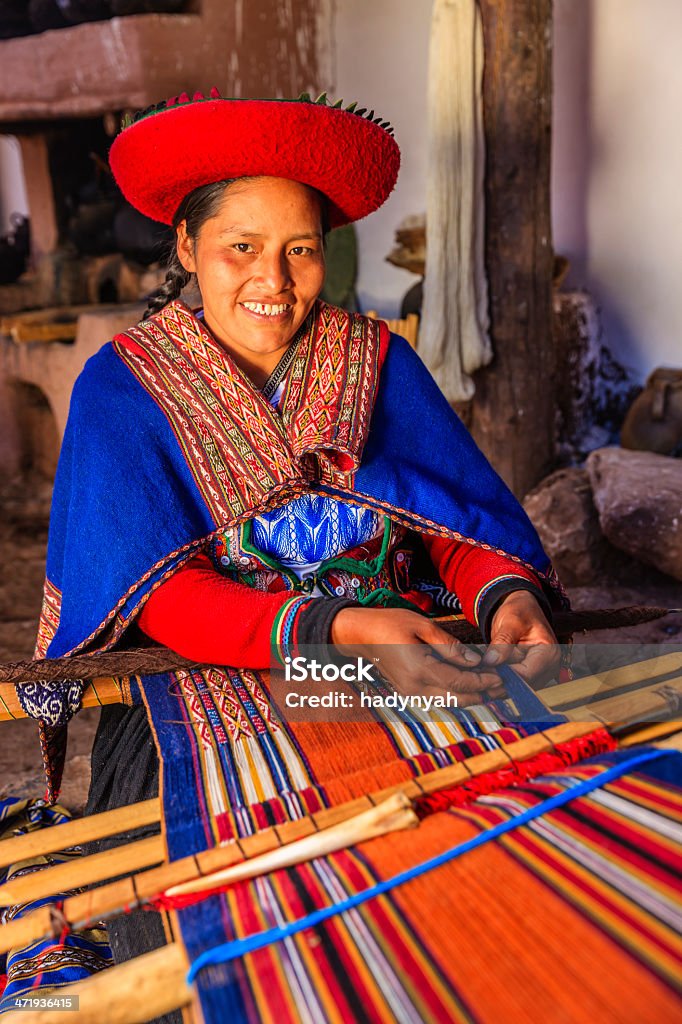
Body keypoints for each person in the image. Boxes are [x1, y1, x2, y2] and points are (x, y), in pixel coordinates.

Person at [25, 90, 564, 1007]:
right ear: (188, 249)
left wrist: (503, 597)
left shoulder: (377, 363)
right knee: (229, 933)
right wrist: (336, 626)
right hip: (204, 699)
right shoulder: (126, 389)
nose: (273, 278)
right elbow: (158, 597)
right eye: (241, 247)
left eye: (300, 249)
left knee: (514, 869)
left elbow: (453, 528)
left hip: (394, 664)